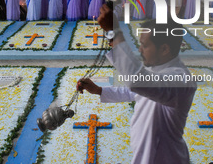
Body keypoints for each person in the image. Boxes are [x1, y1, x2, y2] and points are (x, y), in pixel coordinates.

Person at [77, 9, 196, 164]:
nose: (139, 50)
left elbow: (138, 82)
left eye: (144, 45)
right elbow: (133, 91)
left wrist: (115, 32)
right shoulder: (158, 70)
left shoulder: (181, 79)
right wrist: (98, 90)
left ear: (165, 49)